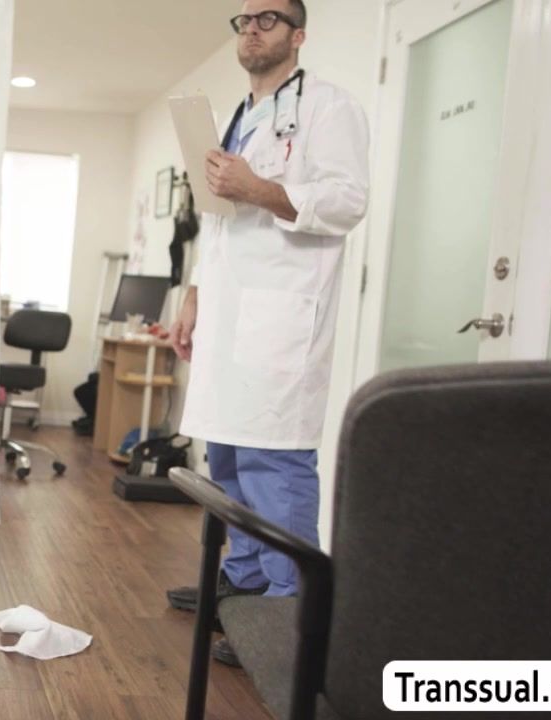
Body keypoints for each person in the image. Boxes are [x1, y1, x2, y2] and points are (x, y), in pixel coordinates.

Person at [165, 0, 370, 668]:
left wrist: (260, 187)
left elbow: (346, 202)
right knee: (226, 459)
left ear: (298, 34)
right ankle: (245, 584)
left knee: (274, 465)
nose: (251, 28)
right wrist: (195, 293)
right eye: (244, 19)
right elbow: (220, 220)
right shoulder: (238, 116)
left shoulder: (329, 108)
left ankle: (289, 619)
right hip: (228, 313)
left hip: (282, 315)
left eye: (268, 18)